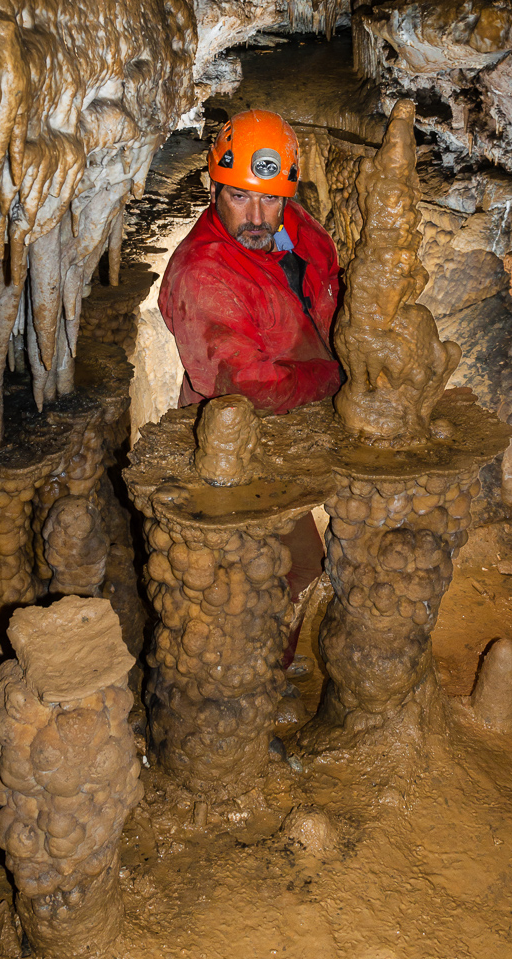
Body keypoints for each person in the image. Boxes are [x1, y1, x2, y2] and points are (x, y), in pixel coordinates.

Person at [159, 109, 342, 668]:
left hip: (295, 428)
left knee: (308, 566)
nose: (257, 216)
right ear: (215, 189)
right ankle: (254, 683)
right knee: (268, 576)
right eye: (239, 197)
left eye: (270, 199)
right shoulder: (205, 274)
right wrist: (337, 373)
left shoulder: (286, 228)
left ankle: (271, 666)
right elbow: (248, 388)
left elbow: (322, 270)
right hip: (244, 451)